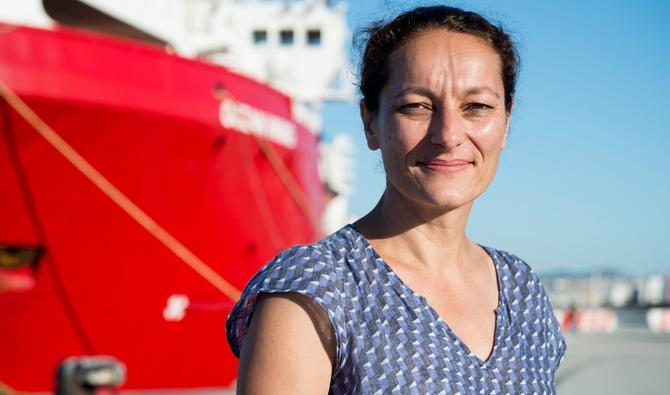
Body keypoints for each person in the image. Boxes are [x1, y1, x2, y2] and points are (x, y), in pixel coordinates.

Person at [227, 5, 566, 394]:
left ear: (506, 122)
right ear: (370, 122)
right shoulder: (314, 292)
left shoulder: (522, 290)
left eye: (477, 107)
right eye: (417, 107)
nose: (448, 134)